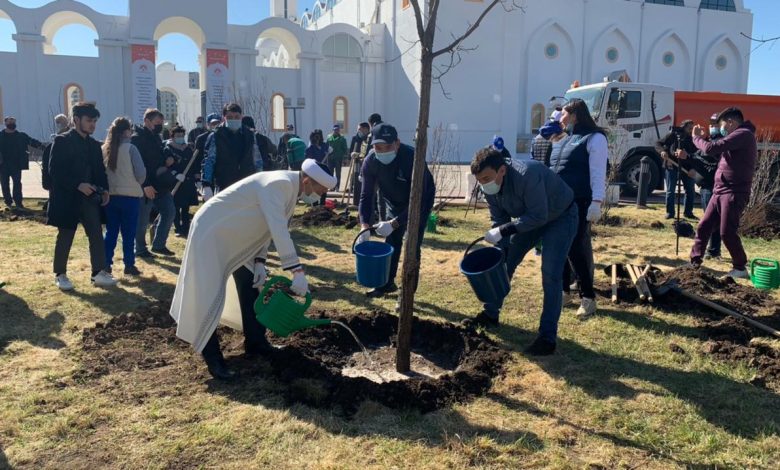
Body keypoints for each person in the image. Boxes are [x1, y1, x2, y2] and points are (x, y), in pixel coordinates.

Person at [170, 159, 336, 380]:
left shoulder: (292, 188)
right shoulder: (280, 184)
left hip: (235, 236)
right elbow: (278, 229)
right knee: (207, 293)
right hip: (213, 232)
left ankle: (256, 342)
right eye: (320, 190)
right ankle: (213, 359)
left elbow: (265, 227)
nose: (319, 196)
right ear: (307, 180)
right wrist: (296, 270)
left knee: (250, 286)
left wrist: (259, 261)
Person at [466, 148, 577, 355]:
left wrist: (503, 230)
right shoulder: (488, 187)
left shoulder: (527, 174)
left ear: (502, 170)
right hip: (528, 220)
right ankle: (490, 314)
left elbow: (539, 215)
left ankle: (547, 338)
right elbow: (499, 220)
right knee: (504, 261)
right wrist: (502, 244)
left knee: (550, 274)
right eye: (479, 180)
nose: (483, 183)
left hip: (560, 215)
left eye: (487, 178)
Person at [356, 123, 436, 298]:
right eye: (378, 147)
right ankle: (385, 284)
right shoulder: (371, 161)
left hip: (421, 200)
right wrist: (364, 225)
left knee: (412, 244)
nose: (383, 151)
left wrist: (395, 222)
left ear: (397, 143)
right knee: (392, 240)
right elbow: (366, 196)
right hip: (394, 200)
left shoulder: (412, 159)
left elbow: (418, 199)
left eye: (387, 146)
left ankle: (408, 291)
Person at [548, 98, 608, 318]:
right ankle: (564, 292)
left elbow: (597, 172)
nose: (559, 119)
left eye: (563, 114)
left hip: (579, 203)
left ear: (574, 115)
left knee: (576, 250)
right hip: (557, 204)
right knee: (558, 248)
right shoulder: (563, 138)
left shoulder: (594, 139)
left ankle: (588, 298)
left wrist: (597, 201)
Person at [47, 102, 117, 290]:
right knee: (66, 235)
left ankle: (98, 273)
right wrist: (77, 184)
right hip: (68, 198)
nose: (92, 124)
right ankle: (61, 274)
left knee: (96, 234)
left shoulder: (95, 145)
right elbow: (55, 171)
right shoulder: (62, 141)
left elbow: (100, 171)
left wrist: (104, 189)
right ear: (76, 120)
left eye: (94, 121)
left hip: (90, 198)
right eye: (89, 120)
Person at [689, 107, 757, 279]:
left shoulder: (743, 135)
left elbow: (711, 148)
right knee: (704, 226)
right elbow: (716, 153)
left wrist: (696, 138)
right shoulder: (735, 137)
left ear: (730, 122)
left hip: (734, 191)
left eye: (721, 125)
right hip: (719, 190)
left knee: (726, 231)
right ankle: (694, 262)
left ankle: (740, 267)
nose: (720, 129)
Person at [103, 117, 146, 276]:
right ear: (127, 131)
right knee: (129, 233)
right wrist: (136, 183)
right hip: (130, 196)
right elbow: (141, 174)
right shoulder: (131, 149)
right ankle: (129, 264)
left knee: (111, 232)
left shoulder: (104, 149)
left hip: (111, 196)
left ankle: (106, 263)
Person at [132, 108, 176, 257]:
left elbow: (162, 151)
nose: (160, 126)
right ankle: (140, 248)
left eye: (161, 123)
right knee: (142, 219)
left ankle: (159, 245)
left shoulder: (156, 137)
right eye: (157, 123)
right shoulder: (137, 138)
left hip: (160, 184)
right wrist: (145, 185)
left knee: (169, 212)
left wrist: (168, 157)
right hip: (145, 184)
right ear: (147, 121)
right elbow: (137, 165)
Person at [200, 102, 260, 201]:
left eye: (237, 116)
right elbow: (209, 160)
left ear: (241, 117)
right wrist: (206, 184)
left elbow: (257, 159)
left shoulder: (250, 135)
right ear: (224, 118)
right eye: (230, 117)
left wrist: (260, 179)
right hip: (224, 183)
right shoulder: (216, 135)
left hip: (247, 182)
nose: (234, 119)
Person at [682, 113, 723, 259]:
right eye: (711, 124)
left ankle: (713, 250)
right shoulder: (709, 140)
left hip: (714, 186)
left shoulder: (720, 143)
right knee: (710, 219)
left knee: (711, 220)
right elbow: (700, 155)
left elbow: (706, 158)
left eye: (716, 124)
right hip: (706, 186)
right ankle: (712, 249)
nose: (712, 127)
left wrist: (689, 156)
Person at [657, 120, 698, 220]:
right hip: (672, 166)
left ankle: (688, 213)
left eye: (692, 128)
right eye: (689, 128)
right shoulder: (673, 136)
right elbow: (658, 144)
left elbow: (697, 155)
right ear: (684, 127)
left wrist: (694, 168)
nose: (691, 130)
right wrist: (662, 152)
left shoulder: (694, 139)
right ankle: (670, 213)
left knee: (690, 190)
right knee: (670, 191)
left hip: (687, 168)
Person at [0, 116, 43, 208]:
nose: (12, 123)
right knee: (4, 184)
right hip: (3, 165)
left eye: (14, 122)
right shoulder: (0, 136)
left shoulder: (21, 136)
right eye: (10, 121)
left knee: (17, 183)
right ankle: (8, 202)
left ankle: (18, 202)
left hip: (16, 164)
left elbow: (33, 142)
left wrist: (45, 147)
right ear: (5, 123)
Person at [164, 126, 197, 237]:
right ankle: (178, 228)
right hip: (176, 182)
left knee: (186, 207)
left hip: (187, 181)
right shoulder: (168, 149)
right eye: (178, 136)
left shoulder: (188, 148)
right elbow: (166, 166)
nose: (181, 138)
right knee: (176, 206)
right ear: (172, 137)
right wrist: (175, 174)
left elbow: (193, 164)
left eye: (182, 136)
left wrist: (196, 176)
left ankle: (186, 228)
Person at [42, 114, 71, 193]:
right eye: (57, 122)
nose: (57, 124)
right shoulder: (56, 136)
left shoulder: (67, 136)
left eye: (59, 122)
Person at [348, 122, 371, 206]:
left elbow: (368, 152)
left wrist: (358, 155)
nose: (358, 131)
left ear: (366, 129)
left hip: (367, 165)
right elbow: (353, 150)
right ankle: (356, 203)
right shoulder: (358, 138)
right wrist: (353, 155)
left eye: (360, 129)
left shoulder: (370, 139)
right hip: (358, 163)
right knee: (356, 183)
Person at [327, 124, 348, 190]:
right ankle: (331, 186)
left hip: (338, 158)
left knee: (338, 173)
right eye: (335, 130)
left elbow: (345, 149)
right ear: (333, 130)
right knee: (330, 173)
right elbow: (326, 146)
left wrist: (345, 159)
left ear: (339, 130)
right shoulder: (329, 137)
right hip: (330, 158)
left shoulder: (342, 139)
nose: (336, 131)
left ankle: (337, 186)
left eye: (337, 130)